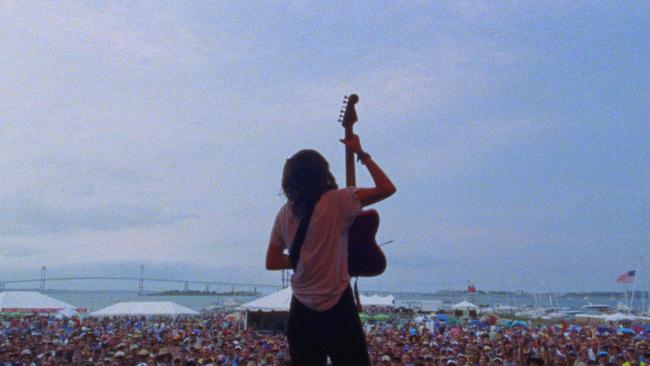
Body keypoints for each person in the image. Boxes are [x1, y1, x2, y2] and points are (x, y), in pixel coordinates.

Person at [266, 133, 396, 365]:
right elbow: (386, 188)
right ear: (322, 173)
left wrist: (302, 259)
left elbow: (272, 261)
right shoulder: (338, 200)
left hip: (301, 313)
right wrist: (360, 152)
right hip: (338, 307)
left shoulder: (284, 214)